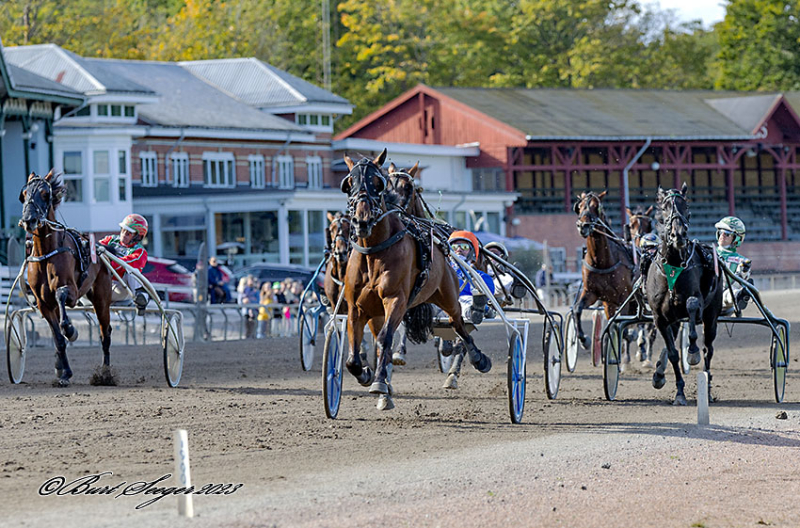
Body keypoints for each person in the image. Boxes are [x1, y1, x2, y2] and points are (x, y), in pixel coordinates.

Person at [99, 213, 149, 315]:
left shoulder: (139, 252)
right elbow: (96, 248)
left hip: (120, 288)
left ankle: (141, 297)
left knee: (131, 272)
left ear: (137, 236)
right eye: (123, 230)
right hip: (102, 282)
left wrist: (108, 261)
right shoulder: (110, 240)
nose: (123, 234)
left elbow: (123, 263)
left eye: (128, 233)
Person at [448, 231, 495, 324]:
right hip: (442, 302)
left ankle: (475, 311)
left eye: (464, 247)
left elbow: (489, 292)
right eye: (454, 247)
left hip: (463, 302)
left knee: (466, 302)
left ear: (472, 252)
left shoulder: (479, 276)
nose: (459, 250)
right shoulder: (441, 272)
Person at [715, 216, 752, 313]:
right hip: (704, 293)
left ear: (736, 239)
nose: (722, 235)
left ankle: (741, 296)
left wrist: (743, 271)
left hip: (723, 298)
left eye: (727, 234)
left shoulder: (742, 260)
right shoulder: (707, 252)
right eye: (721, 231)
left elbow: (738, 283)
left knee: (731, 293)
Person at [484, 242, 514, 306]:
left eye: (495, 253)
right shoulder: (478, 273)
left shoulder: (506, 276)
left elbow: (508, 282)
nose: (492, 255)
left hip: (500, 296)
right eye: (488, 253)